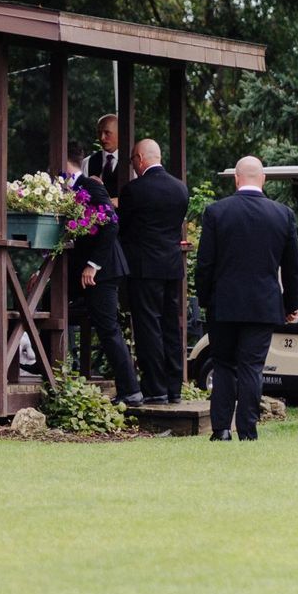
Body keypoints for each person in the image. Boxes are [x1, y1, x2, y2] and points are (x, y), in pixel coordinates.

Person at [194, 156, 298, 440]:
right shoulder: (283, 215)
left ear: (237, 179)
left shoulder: (216, 212)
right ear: (262, 179)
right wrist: (291, 306)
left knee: (224, 365)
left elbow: (204, 264)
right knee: (252, 367)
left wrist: (205, 299)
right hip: (263, 305)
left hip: (224, 304)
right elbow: (292, 269)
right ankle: (248, 430)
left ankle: (221, 430)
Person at [63, 142, 142, 405]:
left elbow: (110, 225)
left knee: (108, 329)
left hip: (103, 270)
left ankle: (131, 390)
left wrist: (93, 264)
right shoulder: (64, 189)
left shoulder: (91, 185)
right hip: (79, 270)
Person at [118, 138, 189, 404]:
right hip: (171, 266)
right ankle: (174, 388)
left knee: (148, 327)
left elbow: (124, 229)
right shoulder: (180, 189)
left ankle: (155, 387)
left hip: (143, 267)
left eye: (133, 161)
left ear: (139, 158)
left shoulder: (134, 191)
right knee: (171, 326)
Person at [84, 114, 123, 199]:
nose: (102, 138)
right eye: (99, 133)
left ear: (120, 133)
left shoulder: (131, 162)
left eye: (107, 133)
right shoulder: (88, 162)